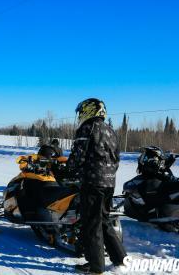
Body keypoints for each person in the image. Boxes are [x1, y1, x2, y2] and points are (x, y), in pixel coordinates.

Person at [68, 98, 126, 274]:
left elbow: (78, 155)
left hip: (93, 182)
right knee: (104, 221)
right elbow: (116, 159)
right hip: (109, 182)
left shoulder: (87, 127)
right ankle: (120, 259)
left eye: (81, 111)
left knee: (92, 224)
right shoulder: (110, 130)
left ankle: (95, 267)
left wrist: (68, 169)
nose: (80, 115)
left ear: (89, 110)